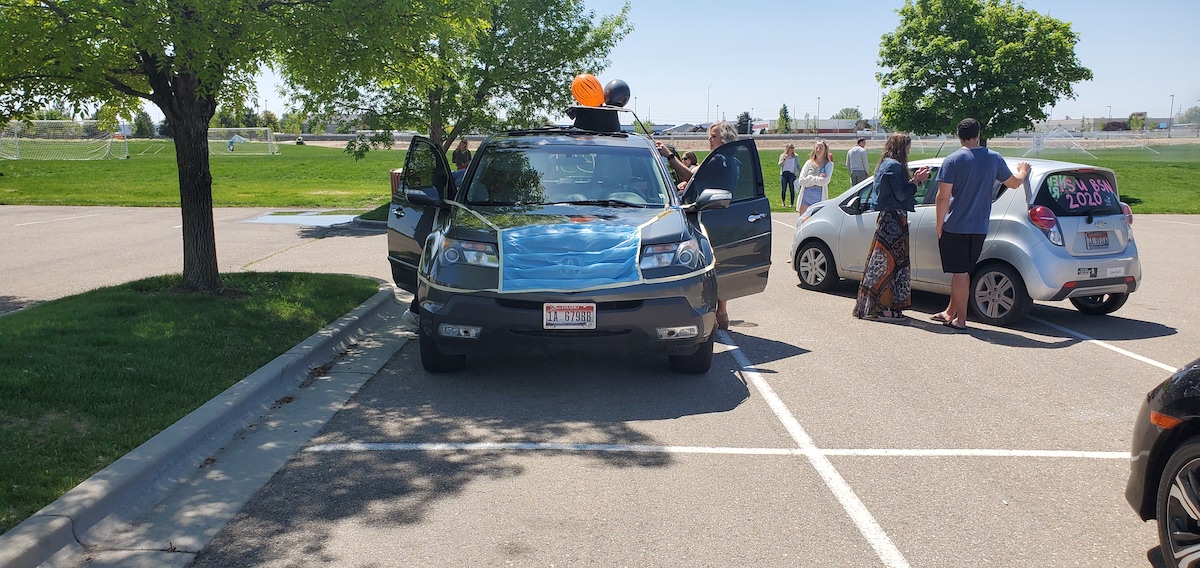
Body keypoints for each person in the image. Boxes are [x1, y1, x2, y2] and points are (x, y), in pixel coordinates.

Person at [930, 118, 1031, 331]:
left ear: (958, 135)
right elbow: (1013, 183)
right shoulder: (994, 158)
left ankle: (961, 320)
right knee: (964, 271)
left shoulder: (953, 160)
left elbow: (942, 197)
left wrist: (939, 224)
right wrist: (1023, 171)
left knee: (960, 273)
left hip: (955, 225)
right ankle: (950, 312)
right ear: (978, 135)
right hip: (979, 227)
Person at [656, 122, 739, 329]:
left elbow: (690, 176)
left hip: (710, 216)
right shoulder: (733, 161)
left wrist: (669, 155)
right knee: (720, 264)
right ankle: (722, 314)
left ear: (724, 138)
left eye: (713, 136)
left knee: (708, 264)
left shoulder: (718, 159)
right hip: (725, 216)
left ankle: (710, 314)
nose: (709, 139)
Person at [852, 133, 930, 322]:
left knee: (882, 263)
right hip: (894, 218)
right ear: (902, 148)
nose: (908, 152)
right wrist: (917, 181)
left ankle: (873, 306)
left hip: (886, 218)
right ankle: (882, 308)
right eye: (907, 148)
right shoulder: (894, 166)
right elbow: (902, 195)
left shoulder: (885, 164)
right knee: (892, 265)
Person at [796, 140, 833, 215]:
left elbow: (825, 181)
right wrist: (817, 178)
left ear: (825, 150)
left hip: (819, 197)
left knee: (815, 221)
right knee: (803, 221)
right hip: (806, 196)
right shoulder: (809, 163)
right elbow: (801, 181)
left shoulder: (829, 164)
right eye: (816, 148)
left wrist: (809, 179)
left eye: (821, 148)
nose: (818, 150)